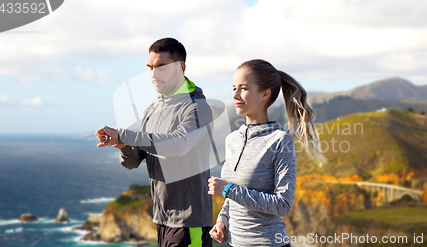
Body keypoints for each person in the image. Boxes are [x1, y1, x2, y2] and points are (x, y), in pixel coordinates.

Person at [95, 37, 213, 247]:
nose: (153, 74)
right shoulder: (152, 109)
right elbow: (132, 161)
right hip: (161, 220)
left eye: (161, 67)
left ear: (180, 67)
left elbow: (178, 145)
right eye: (150, 67)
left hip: (190, 221)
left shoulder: (197, 107)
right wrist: (123, 146)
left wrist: (125, 135)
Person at [208, 59, 325, 247]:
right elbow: (232, 196)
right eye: (233, 88)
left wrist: (229, 189)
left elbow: (283, 204)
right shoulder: (232, 140)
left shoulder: (280, 141)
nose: (235, 95)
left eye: (243, 88)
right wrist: (223, 221)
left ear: (265, 94)